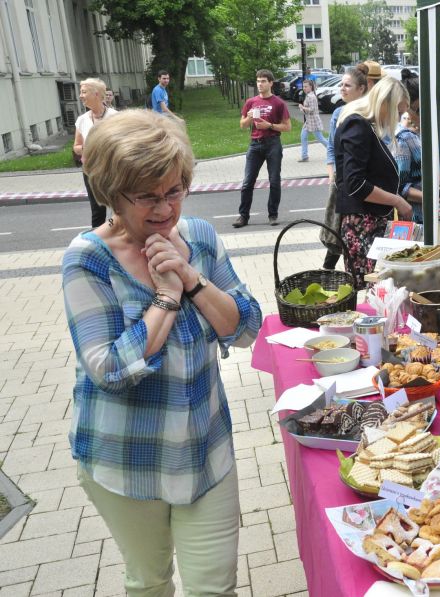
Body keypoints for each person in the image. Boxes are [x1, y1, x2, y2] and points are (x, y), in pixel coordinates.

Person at [62, 109, 262, 596]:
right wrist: (167, 297)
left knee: (214, 588)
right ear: (112, 192)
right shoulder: (88, 259)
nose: (165, 208)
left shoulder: (198, 237)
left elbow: (245, 326)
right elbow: (108, 367)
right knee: (149, 582)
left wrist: (193, 279)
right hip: (128, 459)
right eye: (148, 196)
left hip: (204, 449)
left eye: (174, 191)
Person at [334, 77, 413, 288]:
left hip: (368, 221)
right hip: (363, 223)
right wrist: (397, 200)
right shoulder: (358, 125)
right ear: (386, 103)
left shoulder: (365, 127)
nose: (398, 118)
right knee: (374, 288)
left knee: (377, 289)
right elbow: (356, 183)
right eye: (398, 111)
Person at [394, 70, 440, 224]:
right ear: (406, 108)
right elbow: (399, 187)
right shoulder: (403, 138)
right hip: (420, 216)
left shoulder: (436, 126)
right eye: (420, 109)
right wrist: (433, 195)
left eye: (430, 106)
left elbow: (437, 166)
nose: (427, 113)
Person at [321, 66, 369, 269]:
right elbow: (331, 146)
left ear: (362, 89)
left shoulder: (368, 112)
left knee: (356, 233)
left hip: (363, 181)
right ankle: (328, 272)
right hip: (342, 181)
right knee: (335, 229)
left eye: (347, 85)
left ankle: (350, 273)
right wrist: (332, 175)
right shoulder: (339, 113)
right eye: (341, 84)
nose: (342, 88)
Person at [233, 69, 292, 228]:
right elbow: (242, 125)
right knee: (247, 182)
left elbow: (287, 127)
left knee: (274, 181)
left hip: (273, 143)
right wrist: (249, 118)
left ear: (271, 83)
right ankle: (243, 216)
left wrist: (270, 126)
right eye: (258, 81)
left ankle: (273, 215)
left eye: (263, 81)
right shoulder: (251, 102)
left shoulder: (278, 103)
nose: (260, 84)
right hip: (255, 144)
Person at [73, 78, 118, 228]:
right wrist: (86, 149)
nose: (80, 96)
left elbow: (124, 144)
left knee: (117, 207)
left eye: (84, 92)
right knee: (97, 210)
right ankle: (98, 240)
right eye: (81, 92)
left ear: (97, 94)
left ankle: (113, 230)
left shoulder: (115, 117)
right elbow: (77, 146)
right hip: (90, 171)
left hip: (112, 170)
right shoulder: (82, 120)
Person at [298, 78, 327, 162]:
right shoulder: (309, 95)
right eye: (303, 86)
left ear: (311, 87)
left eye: (306, 86)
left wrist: (302, 107)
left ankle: (334, 151)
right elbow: (308, 110)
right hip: (309, 121)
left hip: (313, 121)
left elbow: (312, 109)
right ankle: (304, 156)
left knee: (320, 138)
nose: (304, 88)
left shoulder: (311, 96)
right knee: (303, 136)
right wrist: (302, 108)